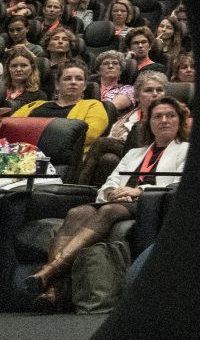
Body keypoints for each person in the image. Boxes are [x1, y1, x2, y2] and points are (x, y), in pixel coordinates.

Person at [29, 91, 190, 311]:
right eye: (157, 116)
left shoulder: (186, 150)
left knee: (108, 212)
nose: (163, 120)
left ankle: (50, 271)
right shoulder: (135, 152)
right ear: (149, 123)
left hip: (148, 204)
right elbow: (111, 181)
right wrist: (112, 191)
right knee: (76, 213)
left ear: (179, 121)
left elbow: (179, 184)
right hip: (118, 200)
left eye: (170, 116)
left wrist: (137, 191)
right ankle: (52, 289)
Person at [14, 62, 111, 158]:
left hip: (63, 160)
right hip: (19, 155)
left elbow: (89, 135)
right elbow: (10, 126)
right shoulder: (33, 105)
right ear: (57, 84)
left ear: (84, 86)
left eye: (79, 79)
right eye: (67, 78)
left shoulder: (93, 106)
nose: (73, 82)